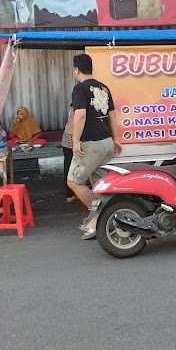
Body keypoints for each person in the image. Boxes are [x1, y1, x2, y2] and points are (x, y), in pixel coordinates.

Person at [67, 53, 121, 239]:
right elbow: (113, 115)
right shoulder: (103, 88)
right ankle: (99, 218)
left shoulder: (79, 89)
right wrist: (116, 139)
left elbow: (80, 115)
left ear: (76, 70)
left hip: (91, 144)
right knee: (99, 184)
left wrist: (75, 141)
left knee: (73, 182)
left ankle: (103, 214)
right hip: (106, 142)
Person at [61, 105, 75, 203]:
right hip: (71, 139)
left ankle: (70, 194)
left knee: (69, 167)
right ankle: (69, 194)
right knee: (70, 167)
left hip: (68, 138)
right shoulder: (78, 107)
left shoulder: (73, 106)